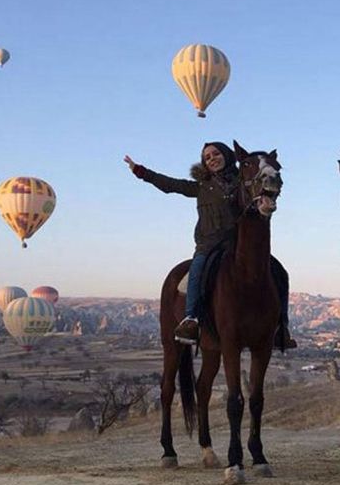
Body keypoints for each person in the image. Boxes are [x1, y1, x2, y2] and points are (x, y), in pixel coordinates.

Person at [124, 143, 295, 349]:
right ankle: (191, 320)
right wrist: (141, 172)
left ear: (226, 156)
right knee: (196, 273)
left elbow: (259, 192)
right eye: (207, 157)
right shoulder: (201, 187)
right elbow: (170, 184)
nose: (212, 158)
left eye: (216, 154)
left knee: (279, 272)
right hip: (209, 244)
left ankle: (281, 327)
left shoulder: (241, 183)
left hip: (237, 244)